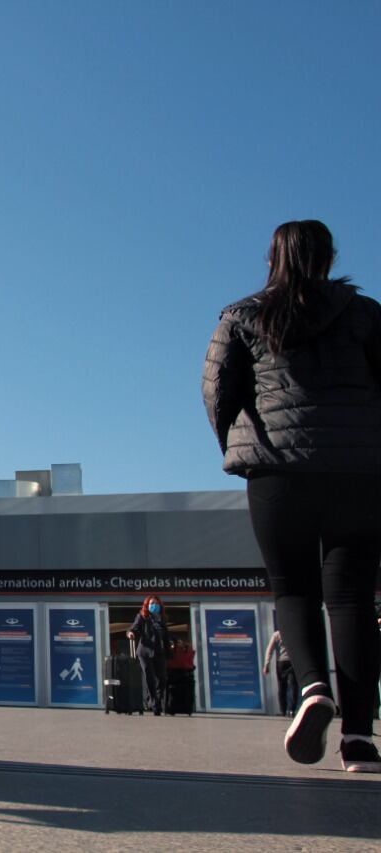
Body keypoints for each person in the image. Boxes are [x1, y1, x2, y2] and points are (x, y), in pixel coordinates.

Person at [202, 219, 381, 773]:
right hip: (360, 471)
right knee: (352, 599)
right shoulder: (366, 315)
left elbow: (216, 391)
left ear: (271, 257)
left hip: (278, 471)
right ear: (329, 257)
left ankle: (311, 689)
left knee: (294, 589)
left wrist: (240, 443)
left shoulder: (243, 315)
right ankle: (359, 741)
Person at [127, 595, 171, 715]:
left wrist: (170, 646)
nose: (154, 606)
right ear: (147, 605)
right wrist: (131, 633)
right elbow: (134, 628)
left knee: (162, 679)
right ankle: (154, 704)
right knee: (149, 677)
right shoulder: (142, 617)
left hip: (159, 652)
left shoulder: (162, 619)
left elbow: (166, 636)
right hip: (145, 652)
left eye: (156, 604)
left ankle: (156, 700)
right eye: (152, 603)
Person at [264, 629, 298, 717]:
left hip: (281, 662)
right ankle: (292, 709)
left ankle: (283, 710)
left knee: (282, 687)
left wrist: (267, 663)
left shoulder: (277, 635)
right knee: (294, 686)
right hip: (293, 662)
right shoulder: (293, 633)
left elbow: (269, 650)